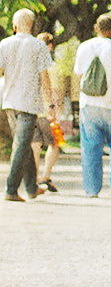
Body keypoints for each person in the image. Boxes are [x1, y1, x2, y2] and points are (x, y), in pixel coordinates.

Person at [74, 13, 111, 197]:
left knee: (91, 147)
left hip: (89, 103)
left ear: (96, 28)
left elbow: (79, 74)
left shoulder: (84, 47)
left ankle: (92, 190)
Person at [0, 9, 55, 202]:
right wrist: (50, 103)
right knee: (21, 146)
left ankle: (31, 188)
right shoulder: (38, 46)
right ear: (32, 25)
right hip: (28, 103)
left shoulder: (4, 44)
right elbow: (45, 77)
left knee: (23, 144)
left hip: (9, 102)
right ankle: (11, 190)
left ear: (14, 26)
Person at [30, 32, 62, 192]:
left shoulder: (30, 64)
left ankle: (34, 178)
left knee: (35, 145)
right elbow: (54, 89)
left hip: (31, 110)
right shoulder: (51, 66)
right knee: (54, 144)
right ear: (50, 46)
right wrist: (53, 108)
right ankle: (46, 175)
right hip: (47, 111)